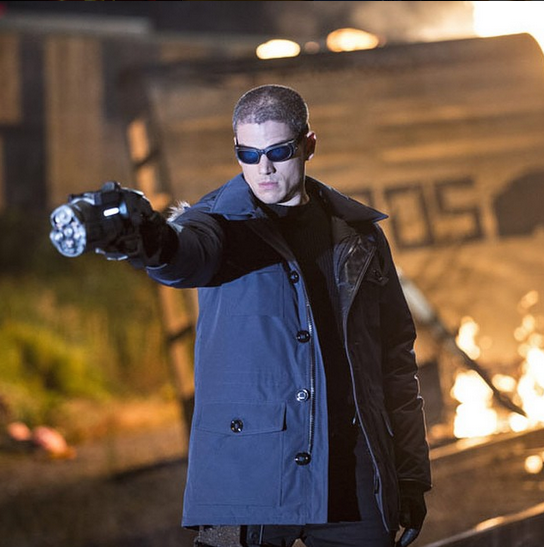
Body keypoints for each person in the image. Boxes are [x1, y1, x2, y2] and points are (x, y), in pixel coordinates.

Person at [131, 84, 432, 547]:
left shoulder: (359, 236)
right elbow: (182, 255)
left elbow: (395, 361)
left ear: (309, 145)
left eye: (278, 151)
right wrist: (147, 239)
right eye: (248, 155)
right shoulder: (217, 225)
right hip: (246, 482)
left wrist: (410, 474)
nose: (263, 168)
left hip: (351, 478)